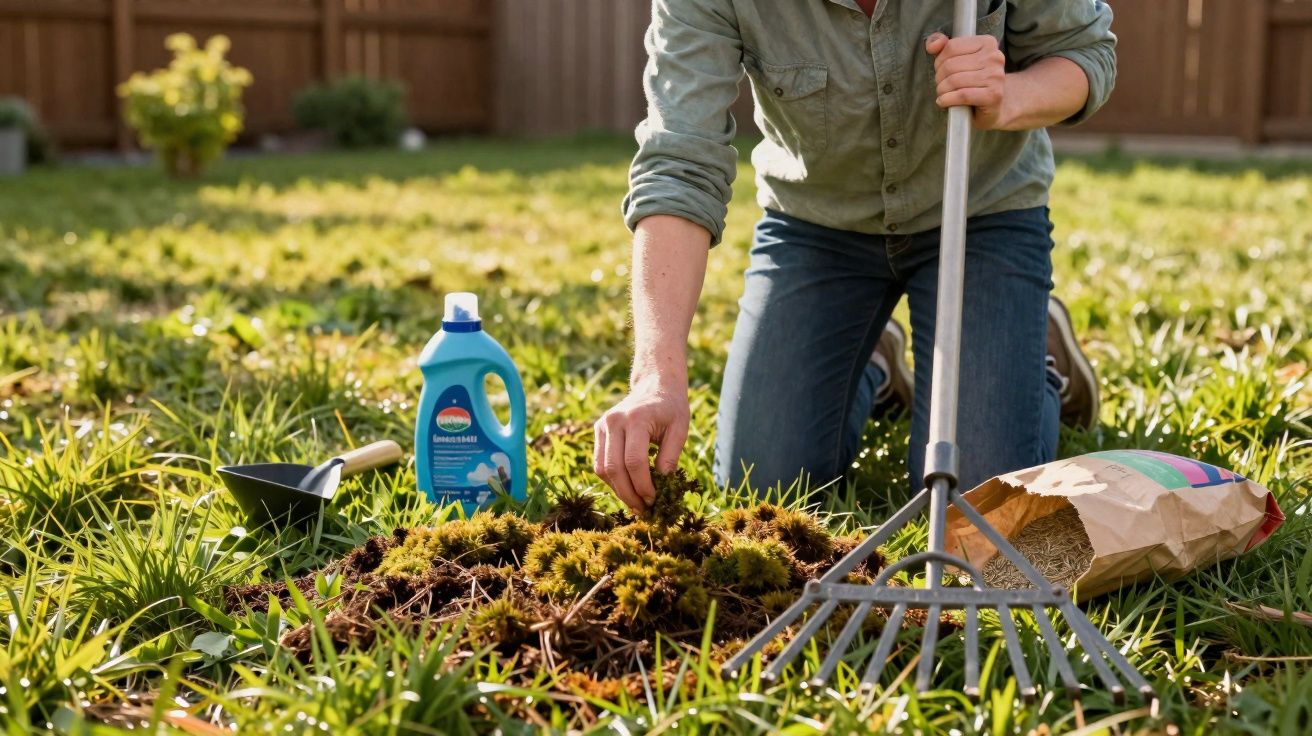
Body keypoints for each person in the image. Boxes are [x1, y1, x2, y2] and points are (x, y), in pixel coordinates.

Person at [594, 0, 1115, 513]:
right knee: (763, 487)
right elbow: (680, 165)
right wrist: (656, 375)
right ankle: (873, 359)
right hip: (819, 230)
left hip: (979, 215)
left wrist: (1009, 96)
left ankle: (1039, 362)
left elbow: (1086, 56)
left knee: (973, 506)